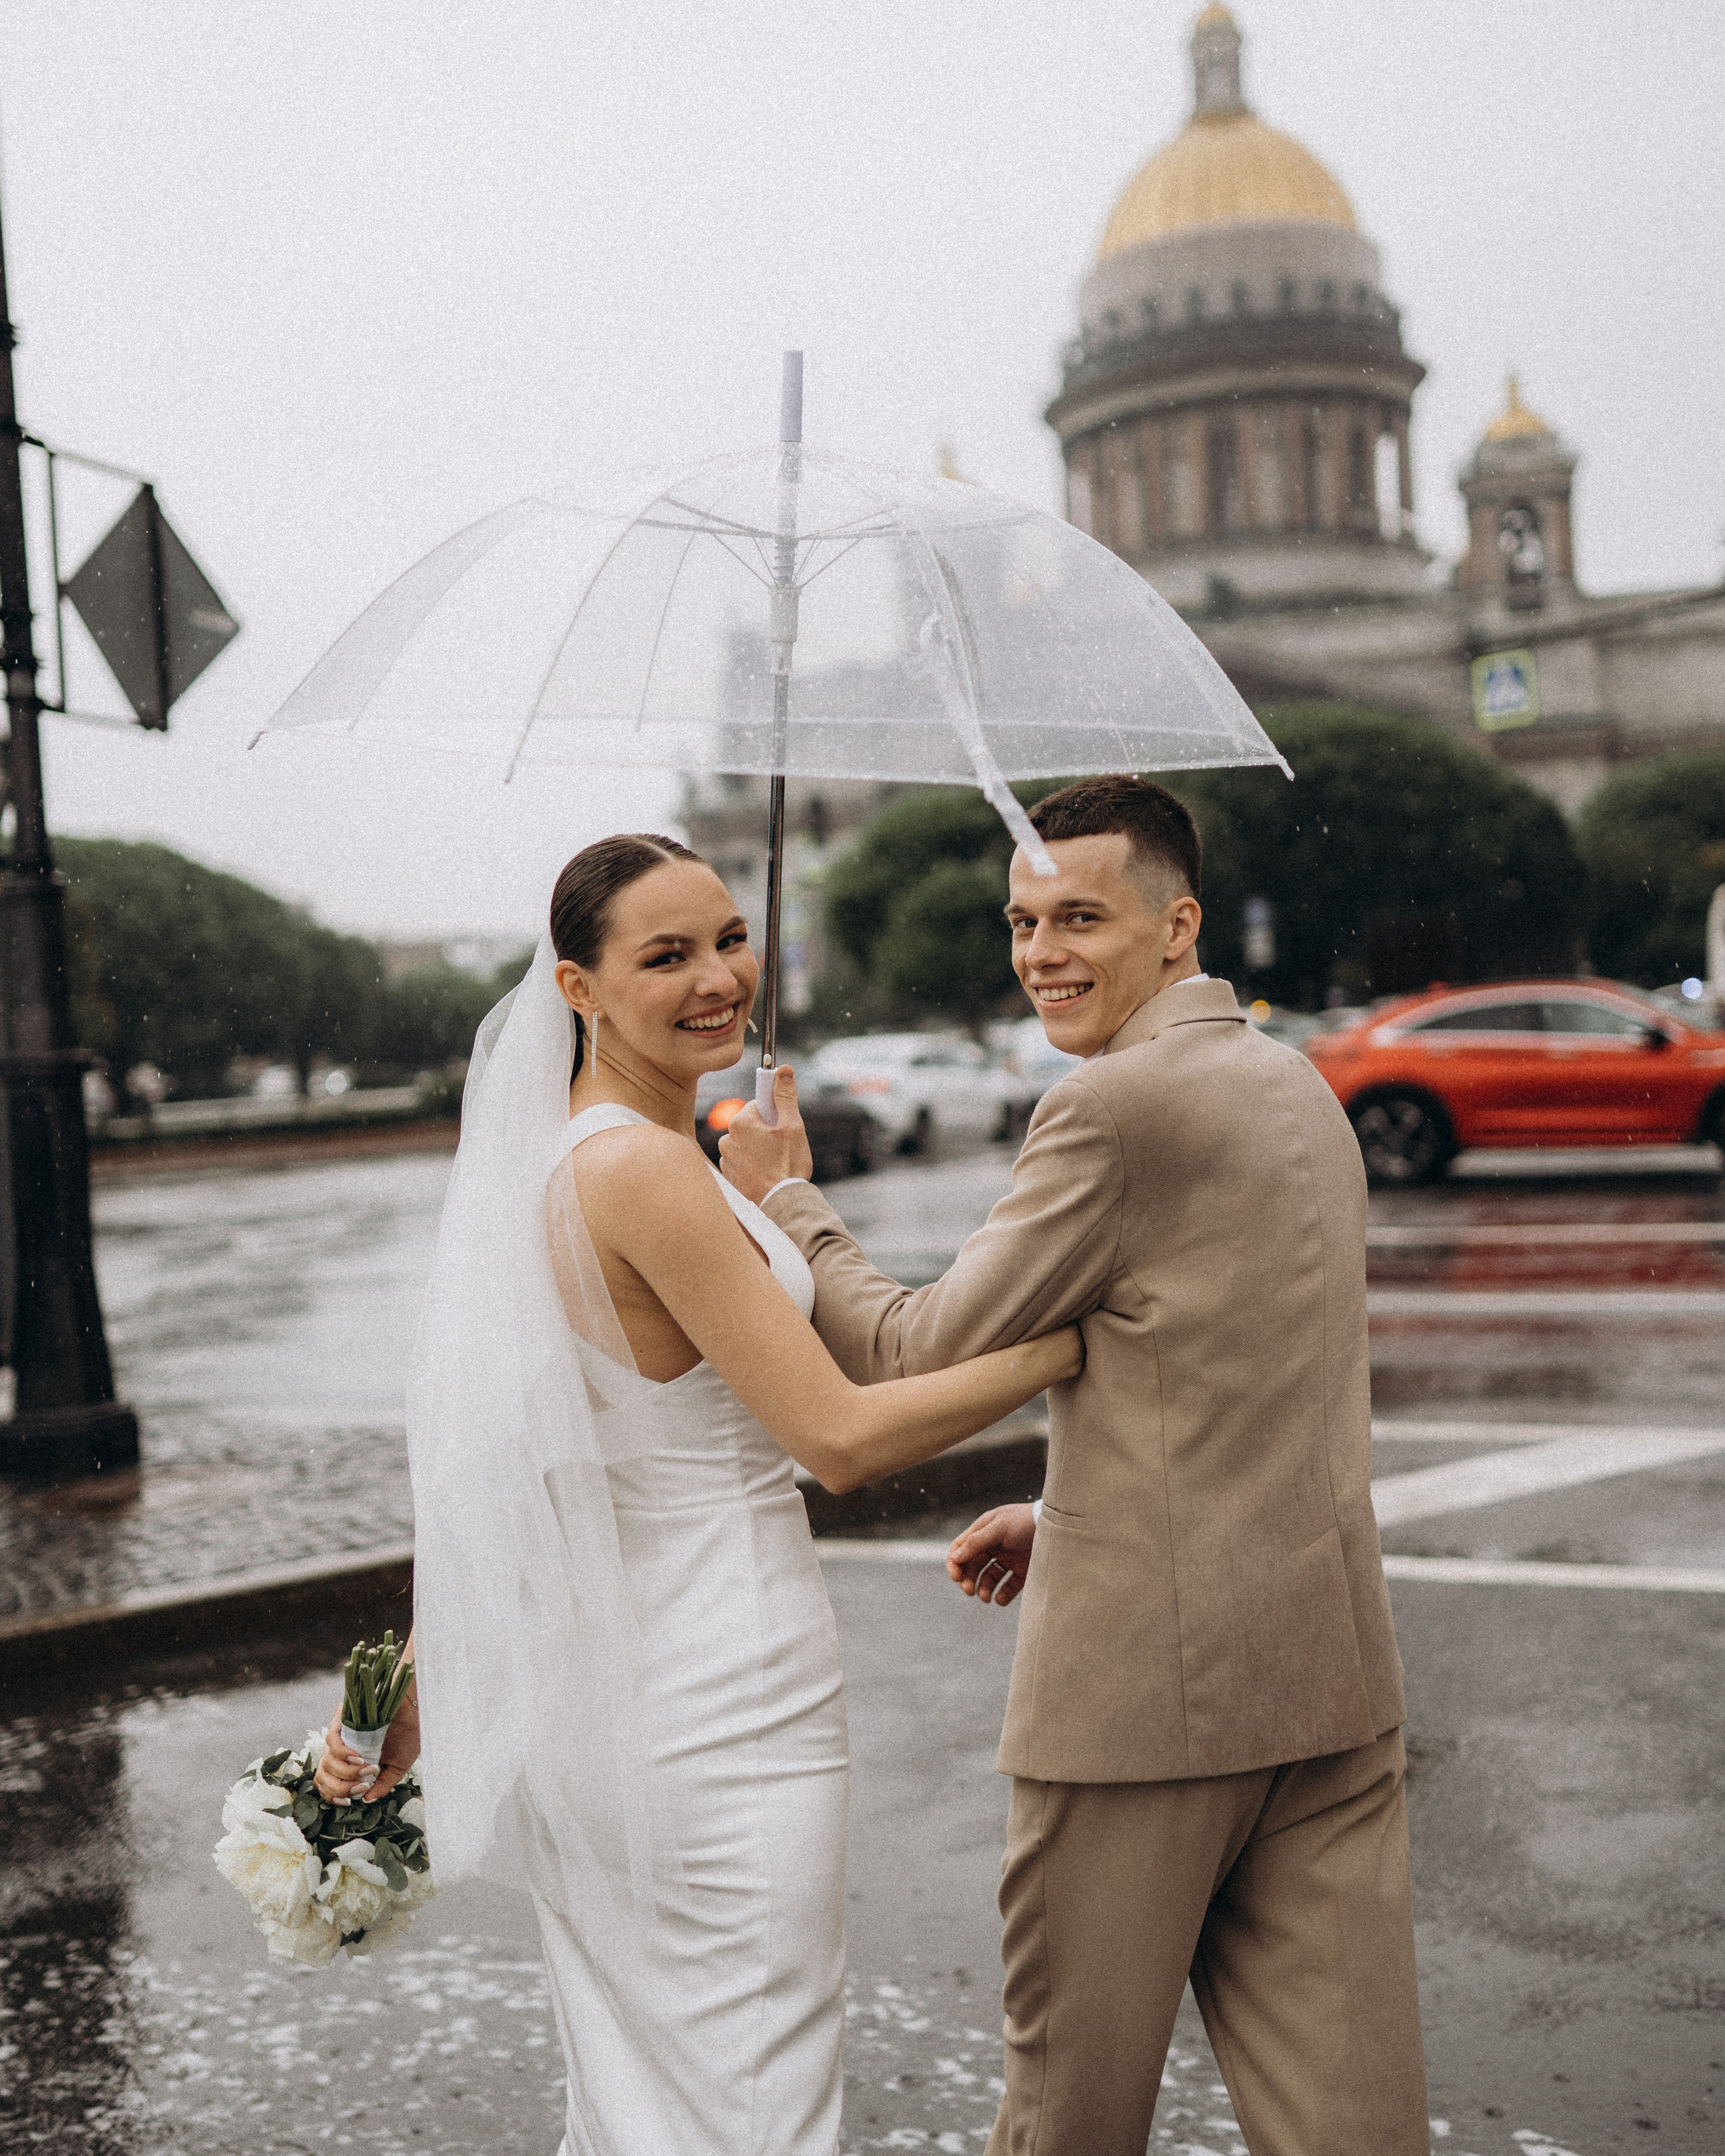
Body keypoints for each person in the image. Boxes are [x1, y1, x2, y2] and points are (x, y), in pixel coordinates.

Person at [312, 833, 1079, 2156]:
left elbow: (523, 1473)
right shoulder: (644, 1171)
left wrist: (771, 1199)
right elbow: (837, 1437)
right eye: (664, 955)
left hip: (609, 1712)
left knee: (652, 2102)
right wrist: (1067, 1346)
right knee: (752, 2099)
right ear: (577, 988)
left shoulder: (588, 1159)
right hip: (723, 1700)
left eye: (728, 938)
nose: (718, 976)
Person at [720, 777, 1429, 2156]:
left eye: (1079, 918)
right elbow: (1234, 1366)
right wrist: (1072, 1505)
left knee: (1066, 2125)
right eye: (1021, 921)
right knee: (1353, 2131)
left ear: (1178, 927)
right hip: (1329, 1679)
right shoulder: (1295, 1083)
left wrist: (785, 1201)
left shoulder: (1111, 1106)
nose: (1039, 952)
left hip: (1139, 1710)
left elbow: (910, 1349)